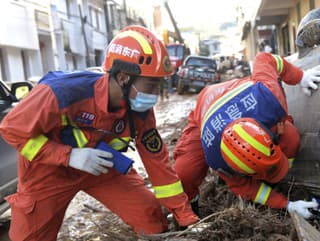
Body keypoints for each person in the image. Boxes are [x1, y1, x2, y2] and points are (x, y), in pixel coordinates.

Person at [0, 25, 198, 241]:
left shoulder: (140, 111)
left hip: (102, 167)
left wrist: (186, 216)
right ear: (124, 78)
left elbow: (158, 165)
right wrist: (69, 156)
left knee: (150, 216)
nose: (155, 95)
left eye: (158, 85)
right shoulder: (62, 92)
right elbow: (12, 130)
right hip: (48, 173)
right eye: (151, 85)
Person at [173, 52, 320, 219]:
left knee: (291, 137)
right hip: (205, 112)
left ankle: (280, 179)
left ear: (270, 135)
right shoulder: (217, 158)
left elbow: (265, 58)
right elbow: (246, 188)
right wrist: (286, 204)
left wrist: (300, 77)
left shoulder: (268, 96)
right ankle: (190, 211)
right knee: (185, 172)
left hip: (236, 95)